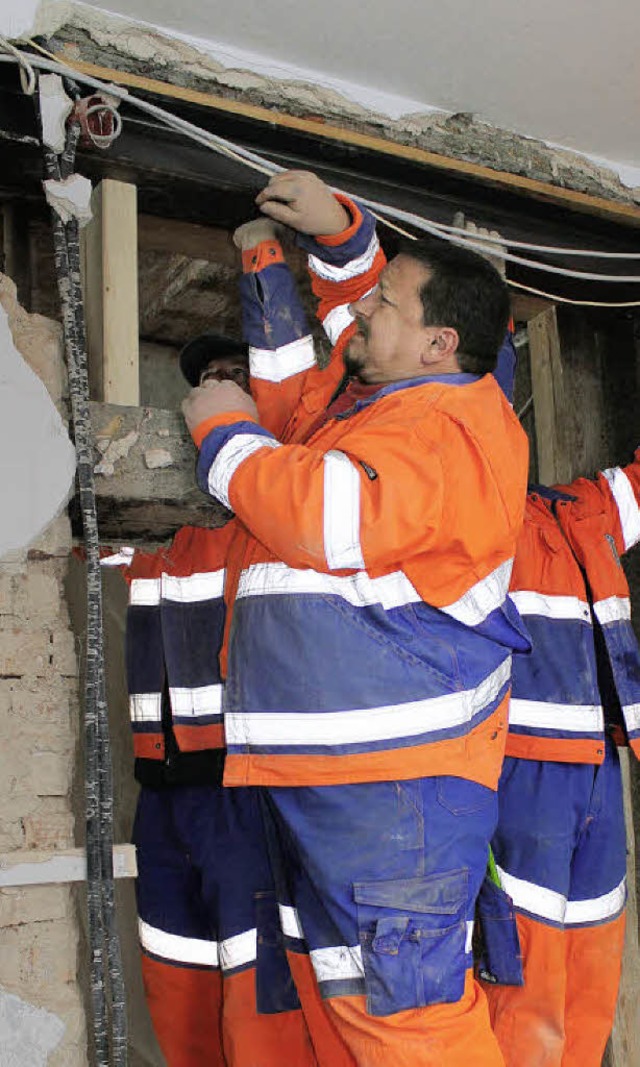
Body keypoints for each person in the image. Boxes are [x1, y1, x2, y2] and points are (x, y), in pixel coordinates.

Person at [183, 170, 530, 1066]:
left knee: (409, 1029)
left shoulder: (447, 431)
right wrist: (340, 237)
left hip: (396, 795)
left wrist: (223, 437)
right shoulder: (406, 400)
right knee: (356, 1013)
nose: (362, 309)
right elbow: (353, 339)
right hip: (362, 787)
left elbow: (325, 513)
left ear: (439, 342)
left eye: (386, 299)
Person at [112, 334, 318, 1067]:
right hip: (163, 796)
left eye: (239, 375)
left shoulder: (268, 515)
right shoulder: (155, 529)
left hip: (243, 793)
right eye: (208, 379)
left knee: (260, 993)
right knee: (178, 982)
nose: (221, 383)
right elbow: (72, 532)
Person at [478, 431, 640, 1065]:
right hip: (523, 771)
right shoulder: (472, 509)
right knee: (524, 985)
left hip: (602, 768)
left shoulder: (585, 509)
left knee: (592, 978)